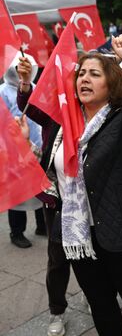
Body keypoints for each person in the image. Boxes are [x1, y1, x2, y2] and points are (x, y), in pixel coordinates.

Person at [20, 34, 122, 336]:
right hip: (78, 234)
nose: (84, 79)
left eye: (94, 73)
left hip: (121, 232)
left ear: (111, 83)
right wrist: (25, 92)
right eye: (81, 73)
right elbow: (35, 112)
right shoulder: (64, 122)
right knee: (101, 306)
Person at [17, 56, 71, 336]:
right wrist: (26, 82)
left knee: (93, 259)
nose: (82, 82)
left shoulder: (100, 114)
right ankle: (57, 311)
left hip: (91, 201)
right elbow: (31, 107)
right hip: (57, 200)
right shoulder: (55, 111)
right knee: (58, 258)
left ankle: (97, 296)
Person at [0, 55, 46, 249]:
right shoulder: (2, 91)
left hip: (35, 144)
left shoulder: (34, 88)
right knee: (17, 191)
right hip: (12, 149)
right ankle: (17, 231)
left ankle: (42, 225)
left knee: (41, 186)